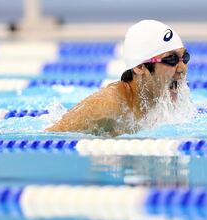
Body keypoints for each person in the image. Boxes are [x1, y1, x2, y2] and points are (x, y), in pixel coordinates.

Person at [46, 20, 191, 136]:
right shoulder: (107, 106)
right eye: (171, 59)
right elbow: (51, 135)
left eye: (184, 57)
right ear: (140, 67)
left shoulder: (164, 103)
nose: (182, 68)